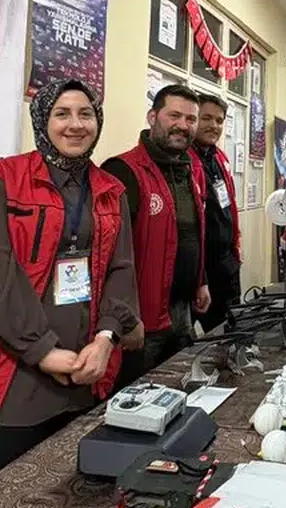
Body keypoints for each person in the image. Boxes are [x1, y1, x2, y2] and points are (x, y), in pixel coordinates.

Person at [0, 79, 139, 490]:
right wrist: (43, 351)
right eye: (62, 114)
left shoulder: (111, 190)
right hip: (5, 381)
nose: (75, 124)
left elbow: (121, 269)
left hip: (83, 377)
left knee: (73, 494)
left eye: (86, 114)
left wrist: (106, 339)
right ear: (42, 120)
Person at [103, 84, 211, 387]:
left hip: (182, 308)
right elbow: (109, 254)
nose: (183, 125)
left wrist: (201, 280)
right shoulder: (122, 171)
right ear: (153, 117)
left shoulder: (190, 170)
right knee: (137, 397)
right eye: (174, 116)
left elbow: (192, 232)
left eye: (190, 119)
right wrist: (124, 318)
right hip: (142, 318)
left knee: (179, 391)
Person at [192, 92, 243, 333]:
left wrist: (235, 252)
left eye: (219, 120)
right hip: (199, 268)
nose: (213, 125)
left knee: (232, 330)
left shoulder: (219, 158)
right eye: (206, 118)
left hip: (226, 263)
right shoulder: (183, 160)